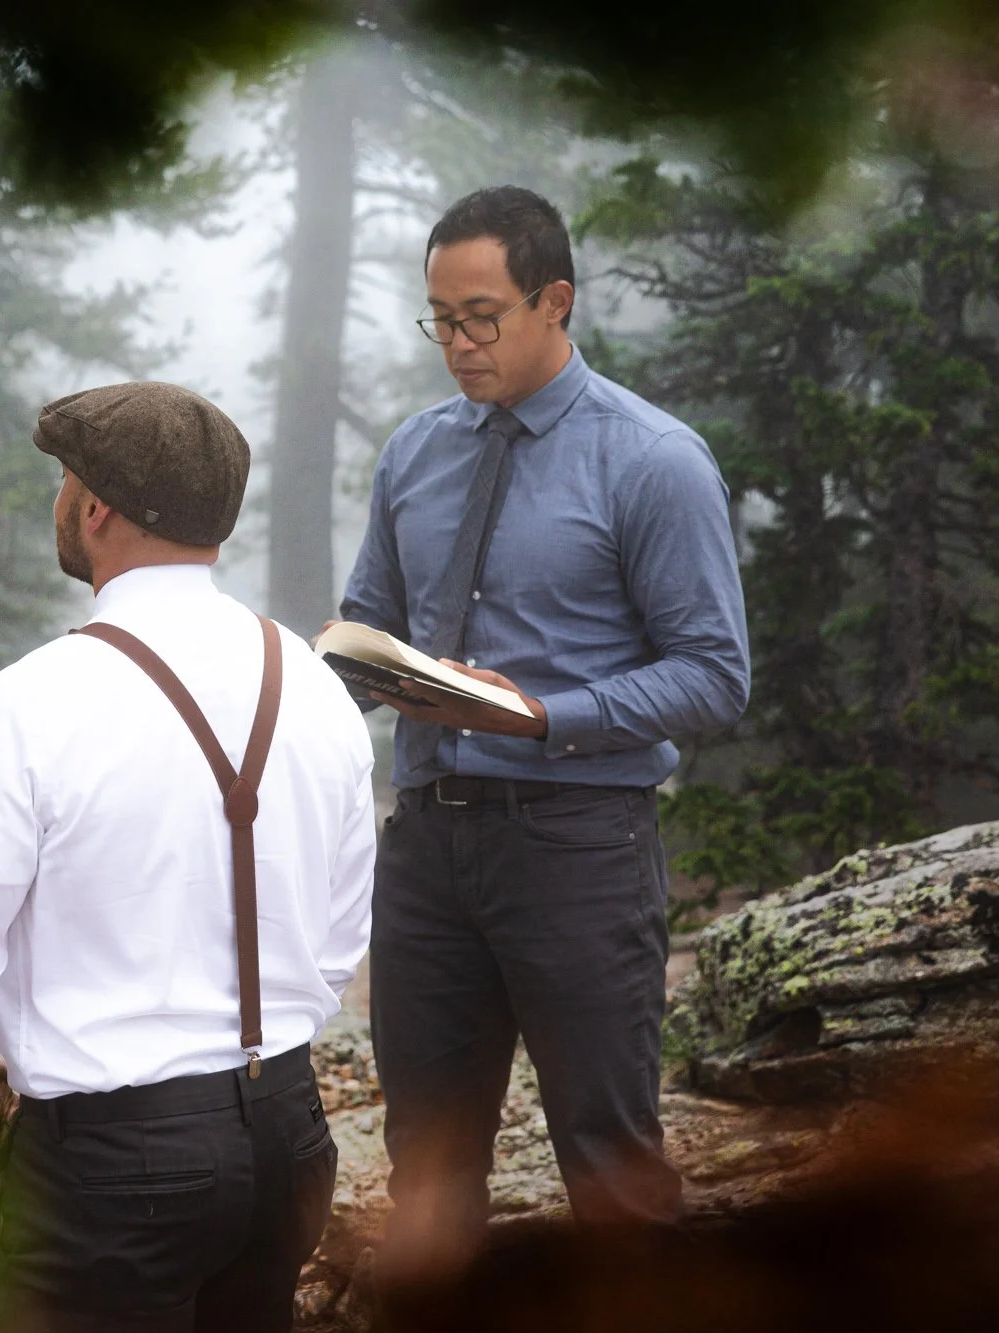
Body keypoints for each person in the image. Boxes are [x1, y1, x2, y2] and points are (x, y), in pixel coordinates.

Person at [0, 381, 377, 1333]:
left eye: (64, 482)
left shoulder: (29, 701)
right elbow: (336, 943)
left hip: (108, 1166)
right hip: (288, 1132)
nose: (60, 501)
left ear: (96, 506)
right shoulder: (314, 682)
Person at [338, 186, 751, 1259]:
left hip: (580, 847)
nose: (455, 345)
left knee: (610, 1165)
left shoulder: (653, 459)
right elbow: (363, 632)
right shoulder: (413, 454)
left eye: (479, 317)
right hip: (426, 849)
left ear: (554, 300)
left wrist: (543, 717)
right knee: (426, 1168)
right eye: (438, 319)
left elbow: (714, 675)